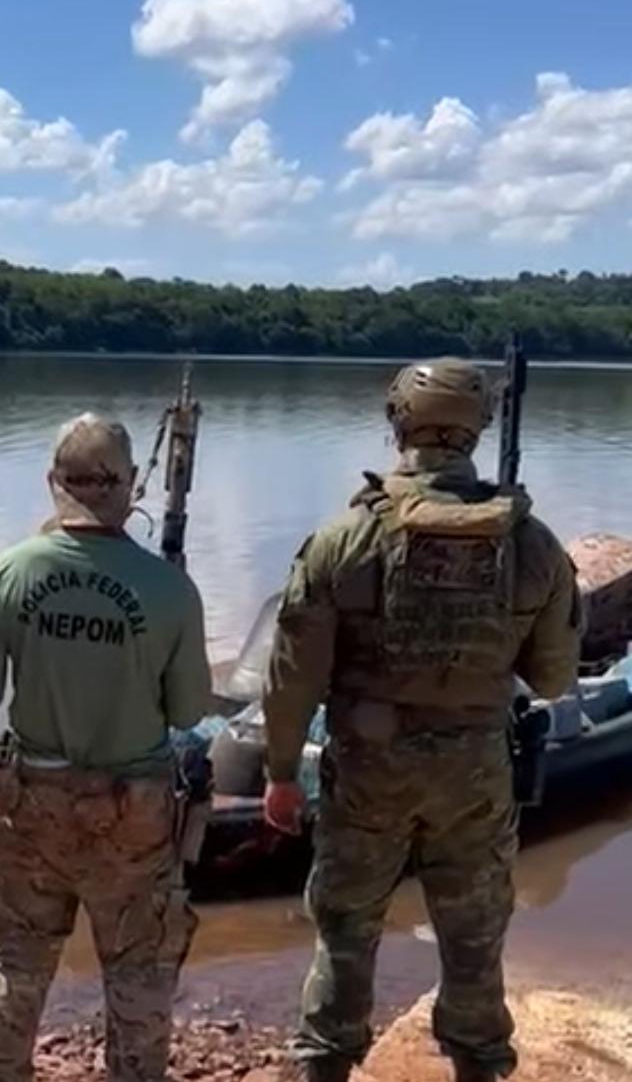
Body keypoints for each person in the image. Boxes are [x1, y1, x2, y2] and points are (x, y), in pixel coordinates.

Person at [261, 360, 582, 1082]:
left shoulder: (344, 540)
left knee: (345, 928)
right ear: (479, 427)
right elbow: (557, 677)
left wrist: (281, 774)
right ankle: (477, 1065)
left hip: (368, 769)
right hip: (475, 772)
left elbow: (291, 683)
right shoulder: (532, 544)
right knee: (473, 933)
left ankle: (324, 1066)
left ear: (397, 420)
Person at [0, 413, 212, 1082]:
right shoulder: (171, 589)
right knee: (139, 977)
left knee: (16, 966)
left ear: (52, 483)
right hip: (136, 812)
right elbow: (187, 712)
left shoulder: (7, 573)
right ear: (130, 489)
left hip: (32, 801)